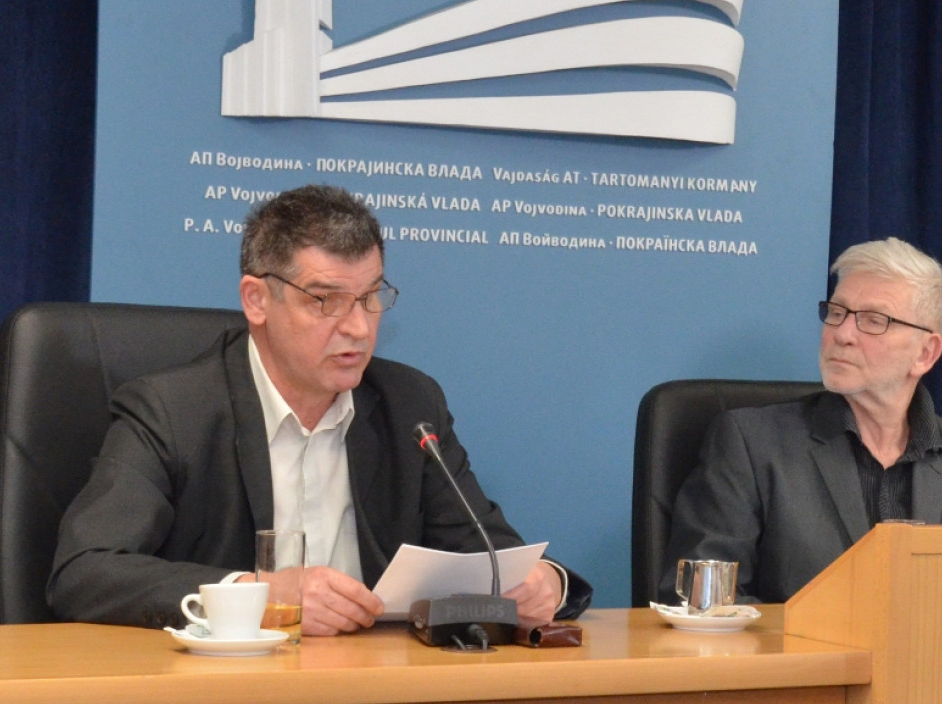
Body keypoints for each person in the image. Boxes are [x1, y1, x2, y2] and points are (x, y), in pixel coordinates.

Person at [49, 184, 591, 635]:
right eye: (325, 300)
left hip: (373, 682)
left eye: (370, 297)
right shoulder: (172, 411)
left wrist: (544, 582)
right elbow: (85, 571)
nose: (357, 327)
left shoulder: (409, 405)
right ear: (257, 300)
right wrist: (258, 595)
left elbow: (490, 554)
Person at [660, 237, 942, 604]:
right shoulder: (751, 445)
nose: (842, 334)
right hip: (797, 644)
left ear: (925, 354)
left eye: (874, 320)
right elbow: (701, 601)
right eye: (836, 313)